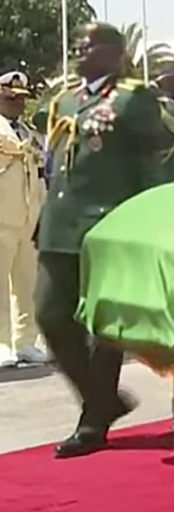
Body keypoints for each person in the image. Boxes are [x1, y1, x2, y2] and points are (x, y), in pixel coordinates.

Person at [36, 22, 167, 457]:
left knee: (103, 326)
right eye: (77, 43)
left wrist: (149, 222)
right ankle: (104, 399)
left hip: (107, 224)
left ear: (113, 53)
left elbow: (152, 164)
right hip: (59, 223)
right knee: (50, 313)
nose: (78, 48)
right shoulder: (66, 98)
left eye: (89, 44)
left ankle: (93, 422)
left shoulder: (134, 98)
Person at [0, 71, 47, 367]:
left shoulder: (29, 135)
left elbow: (41, 176)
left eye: (21, 99)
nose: (17, 104)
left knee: (27, 283)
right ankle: (2, 343)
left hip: (28, 218)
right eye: (11, 98)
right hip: (2, 217)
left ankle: (26, 341)